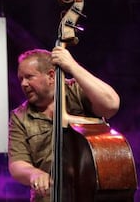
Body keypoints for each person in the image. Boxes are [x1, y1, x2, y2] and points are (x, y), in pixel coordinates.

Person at [7, 47, 120, 202]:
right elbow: (17, 163)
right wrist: (35, 174)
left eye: (29, 77)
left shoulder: (78, 91)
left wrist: (72, 66)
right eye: (21, 79)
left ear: (51, 76)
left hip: (93, 195)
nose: (23, 84)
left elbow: (111, 105)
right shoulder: (19, 116)